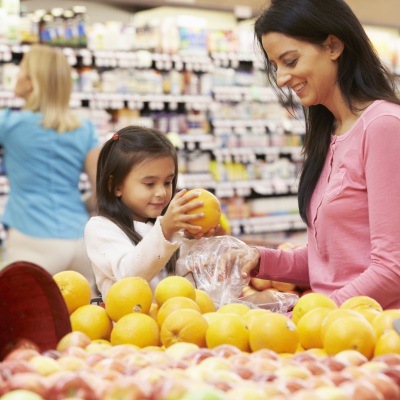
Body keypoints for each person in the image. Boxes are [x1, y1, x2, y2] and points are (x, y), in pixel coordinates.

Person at [236, 0, 400, 310]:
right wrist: (260, 259)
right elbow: (332, 263)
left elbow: (393, 269)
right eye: (276, 66)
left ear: (333, 46)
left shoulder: (384, 127)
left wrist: (312, 313)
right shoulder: (330, 132)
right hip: (332, 331)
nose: (282, 78)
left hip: (372, 333)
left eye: (291, 60)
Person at [0, 44, 100, 295]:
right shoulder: (84, 129)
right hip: (79, 242)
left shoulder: (9, 124)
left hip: (31, 239)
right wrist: (83, 205)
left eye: (21, 70)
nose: (17, 75)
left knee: (25, 324)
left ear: (33, 82)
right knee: (83, 323)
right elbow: (103, 192)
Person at [84, 125, 216, 299]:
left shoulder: (165, 225)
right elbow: (129, 278)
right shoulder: (101, 228)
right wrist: (165, 230)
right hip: (131, 324)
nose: (161, 192)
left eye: (168, 182)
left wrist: (197, 242)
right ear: (115, 186)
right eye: (149, 184)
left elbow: (184, 277)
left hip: (174, 321)